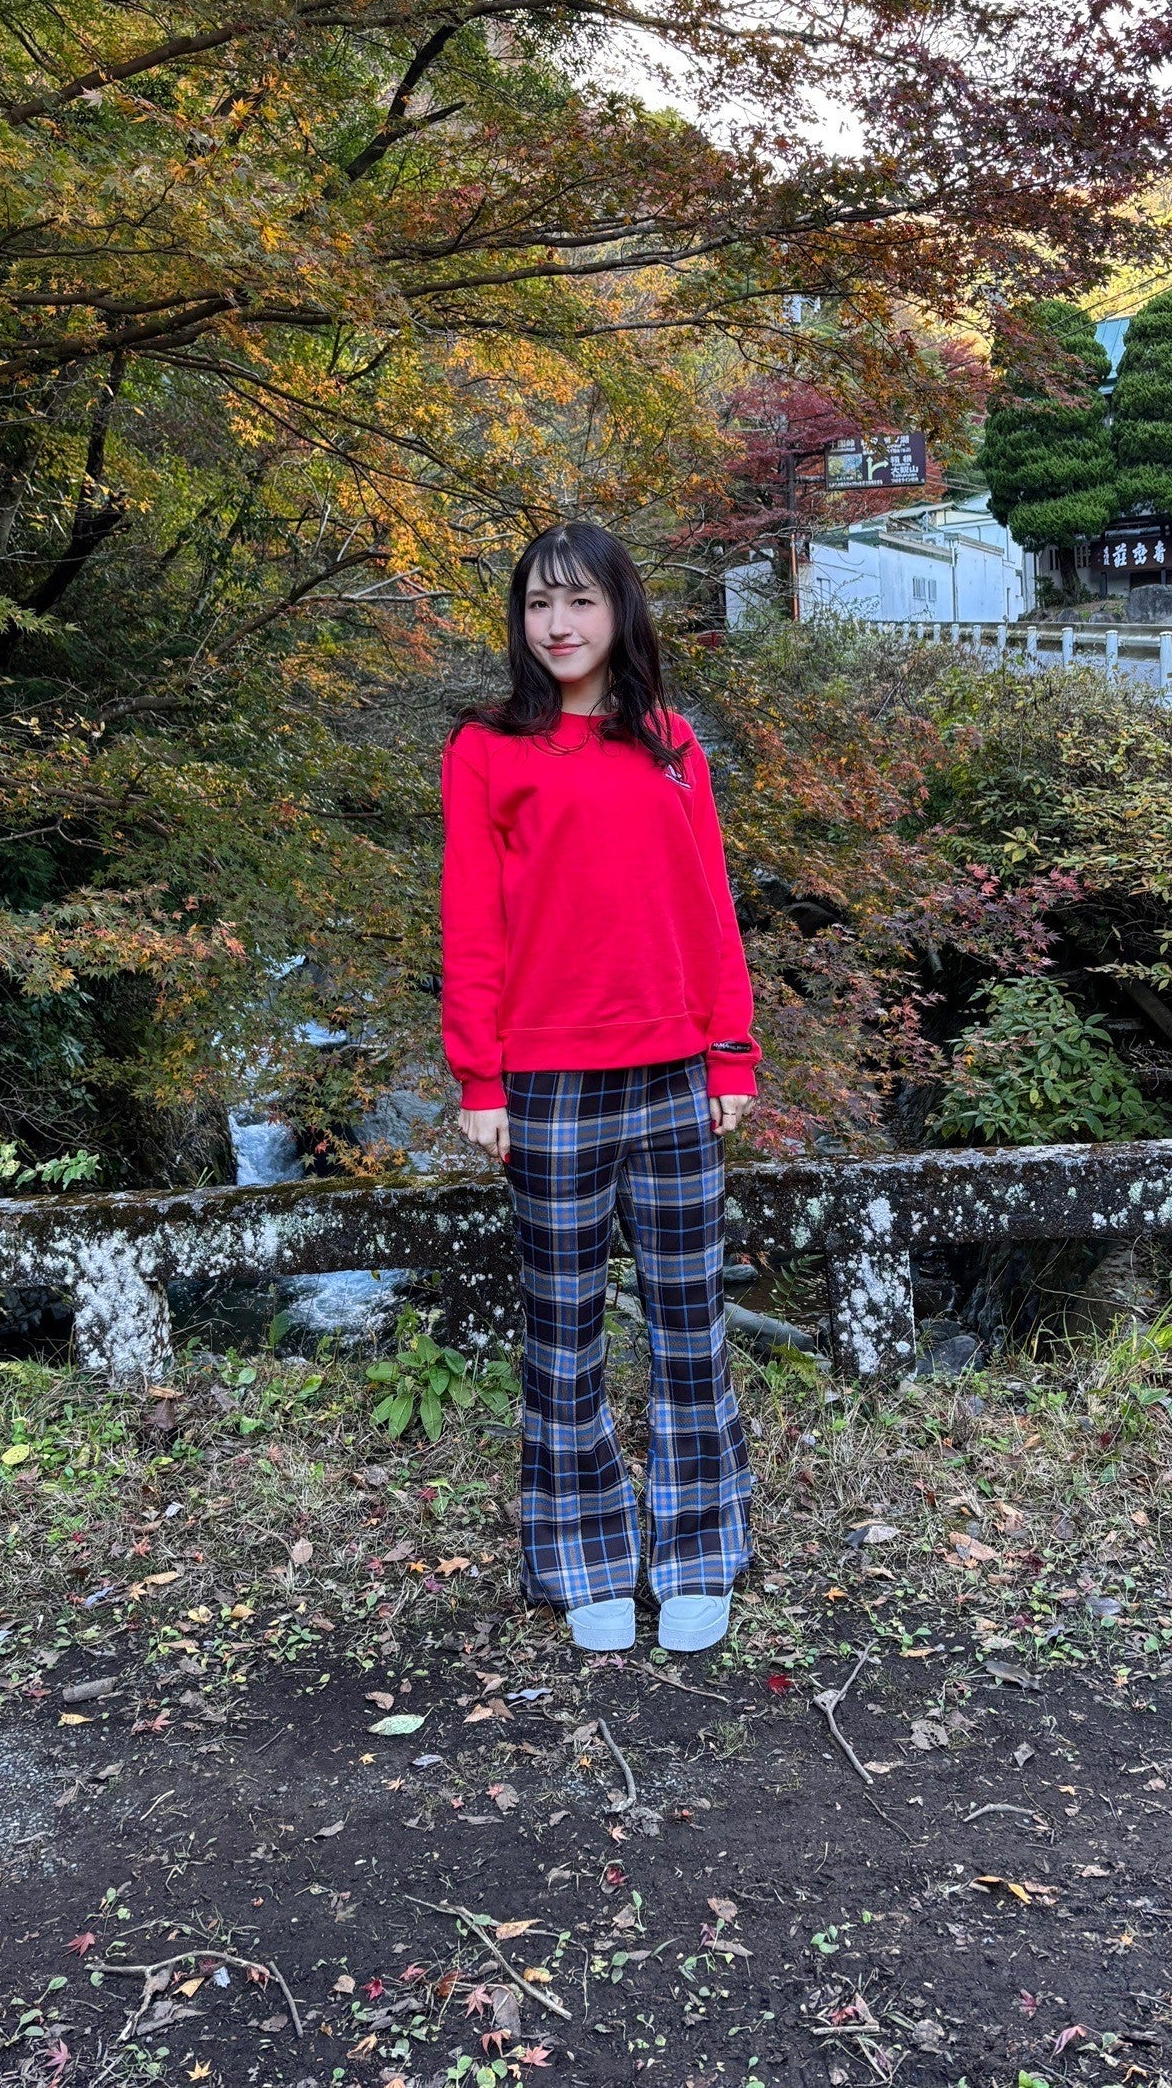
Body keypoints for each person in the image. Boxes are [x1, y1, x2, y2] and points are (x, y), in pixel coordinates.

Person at [439, 523, 759, 1655]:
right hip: (546, 1081)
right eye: (537, 604)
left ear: (620, 611)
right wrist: (479, 1077)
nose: (557, 624)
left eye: (578, 601)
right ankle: (583, 1558)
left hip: (675, 1070)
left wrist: (732, 1050)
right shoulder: (487, 748)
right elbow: (471, 920)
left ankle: (698, 1553)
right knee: (563, 1334)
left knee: (689, 1326)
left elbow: (708, 902)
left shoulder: (671, 743)